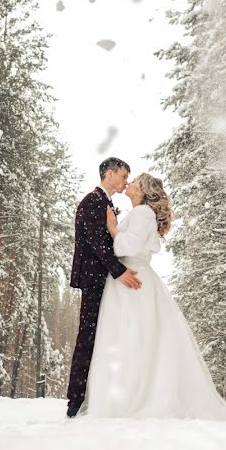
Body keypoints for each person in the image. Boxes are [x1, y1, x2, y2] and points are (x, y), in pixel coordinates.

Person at [78, 173, 226, 420]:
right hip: (130, 278)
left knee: (131, 335)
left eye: (135, 182)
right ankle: (128, 394)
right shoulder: (139, 213)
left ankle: (128, 397)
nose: (129, 184)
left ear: (143, 191)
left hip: (131, 279)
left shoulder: (142, 214)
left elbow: (127, 247)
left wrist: (113, 229)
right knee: (136, 335)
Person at [66, 157, 142, 418]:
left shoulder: (106, 203)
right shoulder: (92, 202)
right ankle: (75, 399)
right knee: (88, 335)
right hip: (94, 278)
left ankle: (96, 394)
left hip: (102, 276)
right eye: (123, 175)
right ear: (108, 173)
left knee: (101, 335)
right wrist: (119, 271)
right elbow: (98, 244)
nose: (125, 181)